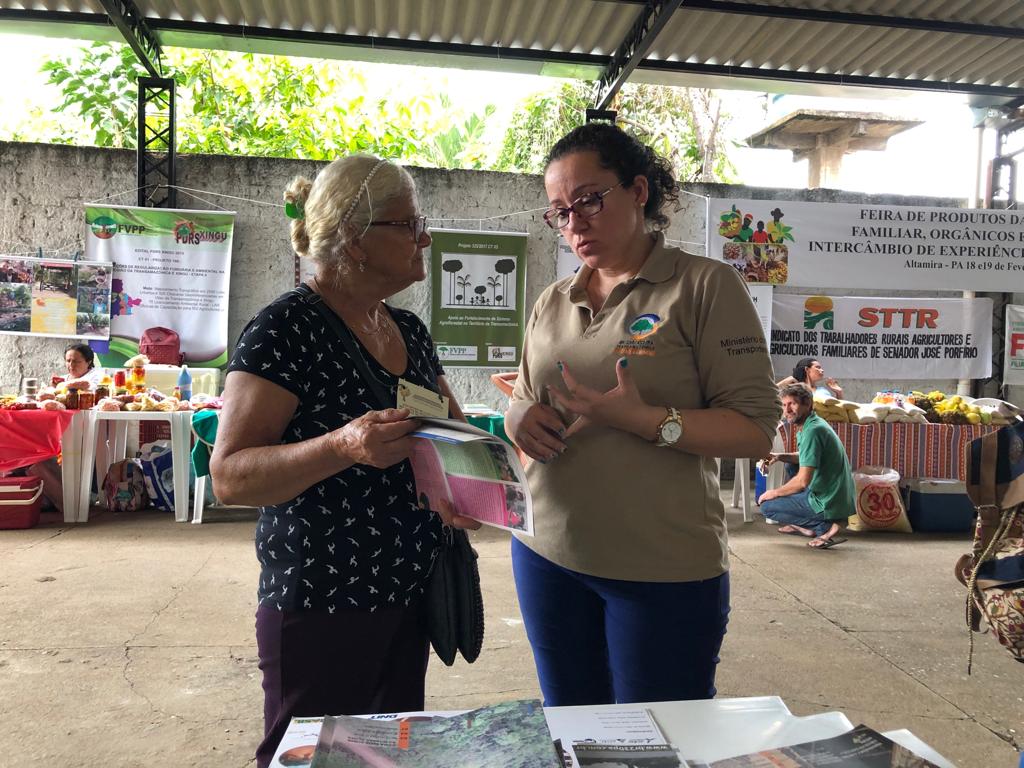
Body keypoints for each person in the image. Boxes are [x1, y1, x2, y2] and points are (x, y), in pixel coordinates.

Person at [209, 154, 479, 768]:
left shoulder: (406, 329)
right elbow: (228, 475)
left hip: (409, 596)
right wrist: (342, 445)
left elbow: (454, 436)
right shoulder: (285, 329)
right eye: (409, 224)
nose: (426, 238)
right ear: (357, 242)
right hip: (322, 603)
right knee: (313, 759)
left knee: (387, 757)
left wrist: (473, 487)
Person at [505, 122, 780, 707]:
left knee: (657, 743)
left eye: (589, 199)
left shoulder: (704, 287)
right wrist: (516, 417)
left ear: (637, 190)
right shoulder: (554, 300)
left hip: (661, 570)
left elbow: (756, 429)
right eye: (560, 210)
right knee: (572, 730)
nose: (575, 221)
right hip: (546, 553)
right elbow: (524, 396)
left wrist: (644, 418)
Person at [757, 383, 855, 549]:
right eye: (784, 404)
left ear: (807, 404)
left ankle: (823, 527)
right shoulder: (811, 423)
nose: (787, 410)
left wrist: (774, 493)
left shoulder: (813, 431)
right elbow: (806, 457)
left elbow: (802, 481)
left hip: (829, 501)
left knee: (767, 507)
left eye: (793, 404)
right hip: (833, 492)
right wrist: (780, 456)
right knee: (790, 466)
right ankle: (805, 525)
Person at [776, 357, 843, 399]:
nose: (822, 370)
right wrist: (783, 383)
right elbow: (769, 395)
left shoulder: (823, 391)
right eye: (818, 367)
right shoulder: (794, 389)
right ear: (807, 369)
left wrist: (839, 392)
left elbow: (836, 411)